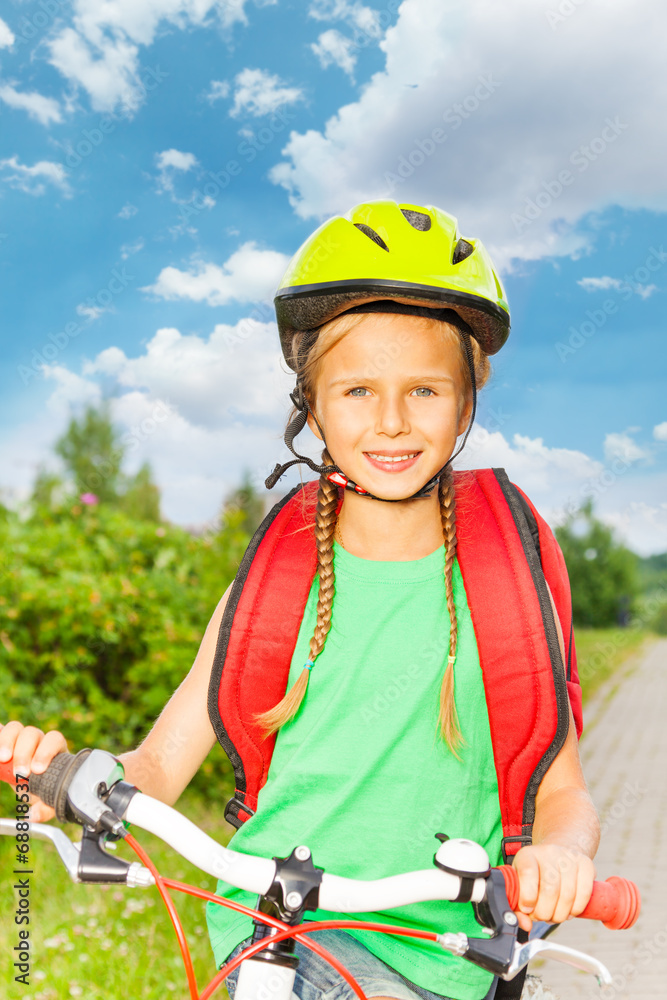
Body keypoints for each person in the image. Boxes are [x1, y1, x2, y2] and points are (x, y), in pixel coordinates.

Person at [0, 201, 599, 1000]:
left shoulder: (506, 570)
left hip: (442, 952)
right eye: (355, 390)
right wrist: (50, 779)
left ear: (466, 399)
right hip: (272, 929)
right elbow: (154, 769)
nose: (390, 422)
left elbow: (562, 795)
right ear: (311, 404)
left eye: (424, 390)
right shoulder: (276, 576)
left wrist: (560, 857)